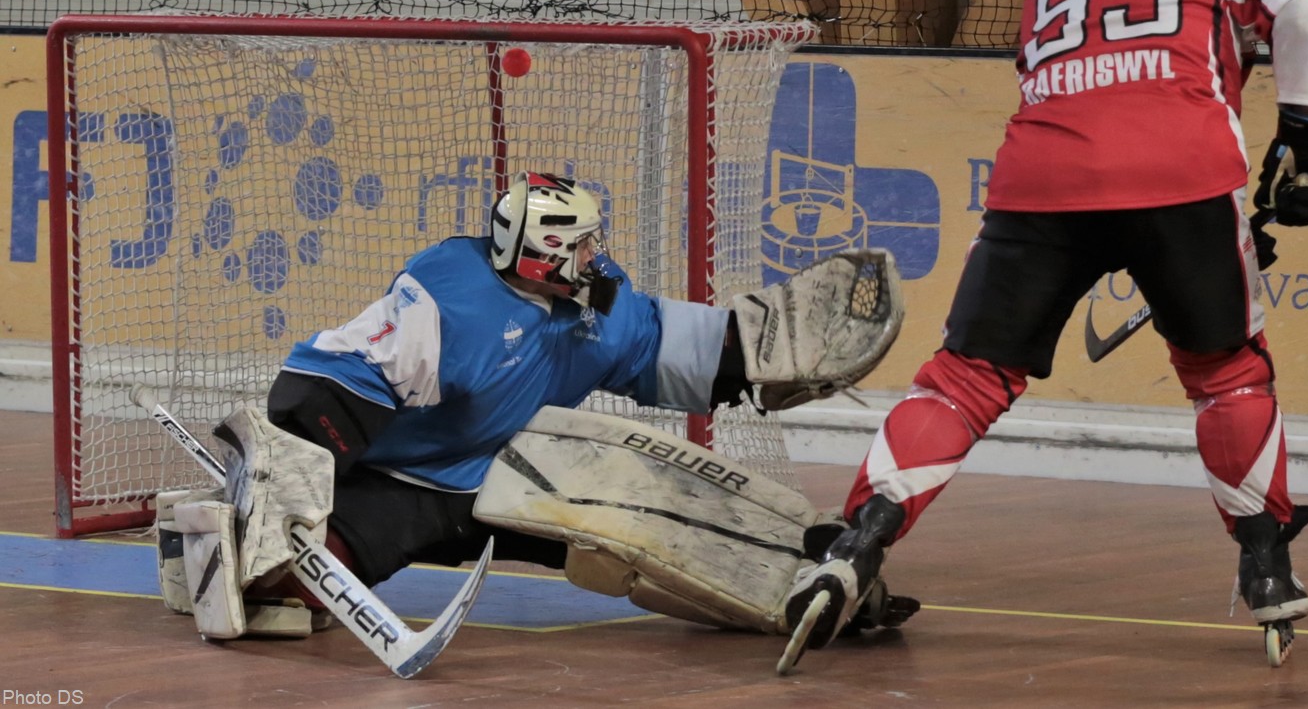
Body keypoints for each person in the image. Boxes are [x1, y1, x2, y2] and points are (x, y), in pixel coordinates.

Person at [783, 0, 1308, 670]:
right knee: (1227, 373)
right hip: (1182, 173)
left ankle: (856, 542)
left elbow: (1065, 80)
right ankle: (1266, 560)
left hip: (1039, 180)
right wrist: (1307, 134)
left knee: (964, 380)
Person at [167, 170, 909, 645]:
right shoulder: (448, 298)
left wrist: (751, 350)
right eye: (581, 246)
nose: (595, 256)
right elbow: (326, 380)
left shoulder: (596, 305)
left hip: (517, 467)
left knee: (650, 535)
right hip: (403, 480)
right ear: (544, 251)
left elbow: (655, 342)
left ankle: (816, 584)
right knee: (294, 583)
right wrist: (299, 474)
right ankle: (216, 544)